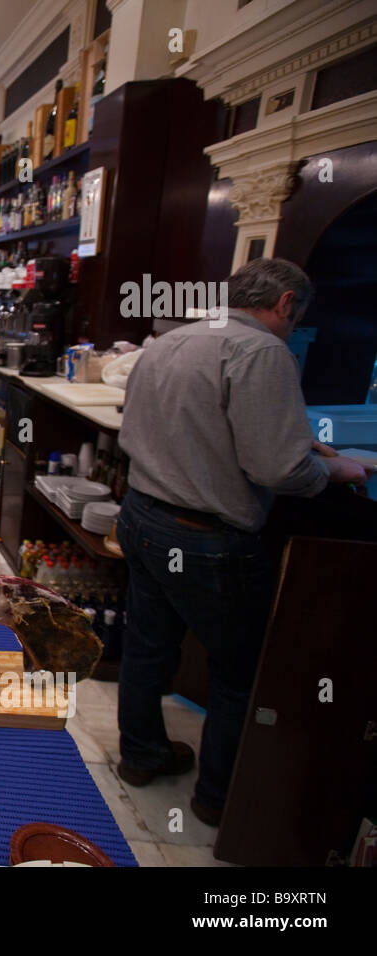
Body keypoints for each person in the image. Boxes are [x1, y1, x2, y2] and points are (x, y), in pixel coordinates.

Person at [115, 257, 372, 827]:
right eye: (295, 316)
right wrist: (336, 471)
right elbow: (276, 469)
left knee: (148, 646)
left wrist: (309, 444)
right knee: (237, 672)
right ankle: (216, 797)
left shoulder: (172, 338)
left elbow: (192, 419)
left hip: (142, 515)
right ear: (285, 304)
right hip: (206, 536)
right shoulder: (264, 352)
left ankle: (140, 756)